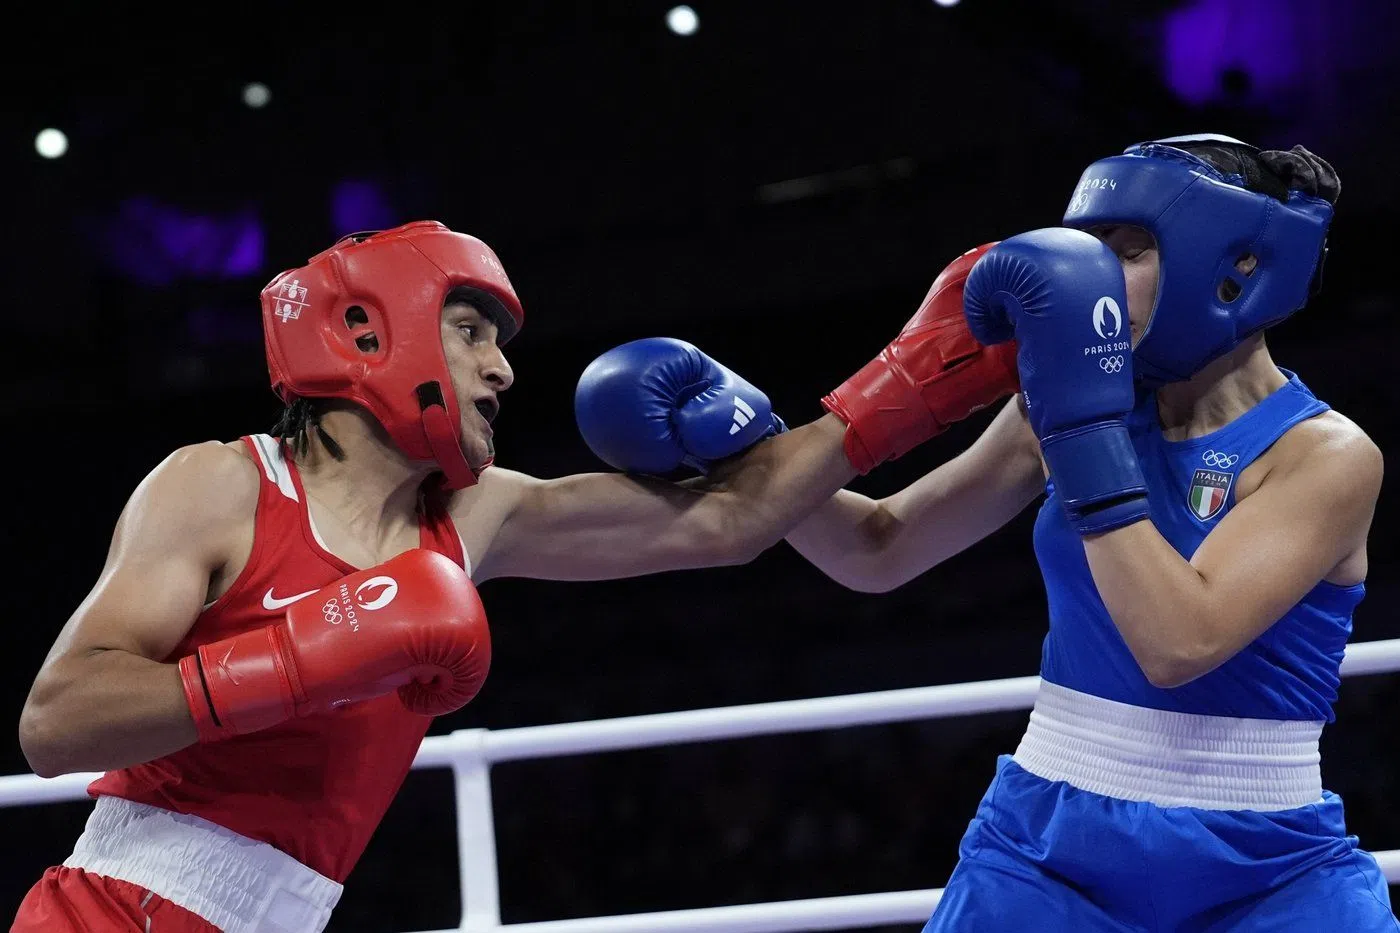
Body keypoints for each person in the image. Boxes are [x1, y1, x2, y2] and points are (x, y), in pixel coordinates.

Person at [13, 220, 1017, 931]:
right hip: (114, 912)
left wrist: (897, 389)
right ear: (371, 330)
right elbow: (55, 725)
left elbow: (732, 519)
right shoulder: (221, 486)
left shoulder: (472, 519)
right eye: (471, 333)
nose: (501, 371)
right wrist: (298, 655)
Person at [786, 135, 1395, 930]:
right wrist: (746, 449)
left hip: (1268, 868)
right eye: (1090, 249)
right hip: (1048, 851)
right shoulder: (1061, 408)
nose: (1095, 279)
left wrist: (1081, 429)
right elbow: (879, 547)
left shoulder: (1325, 456)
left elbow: (1178, 641)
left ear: (1237, 265)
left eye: (1132, 249)